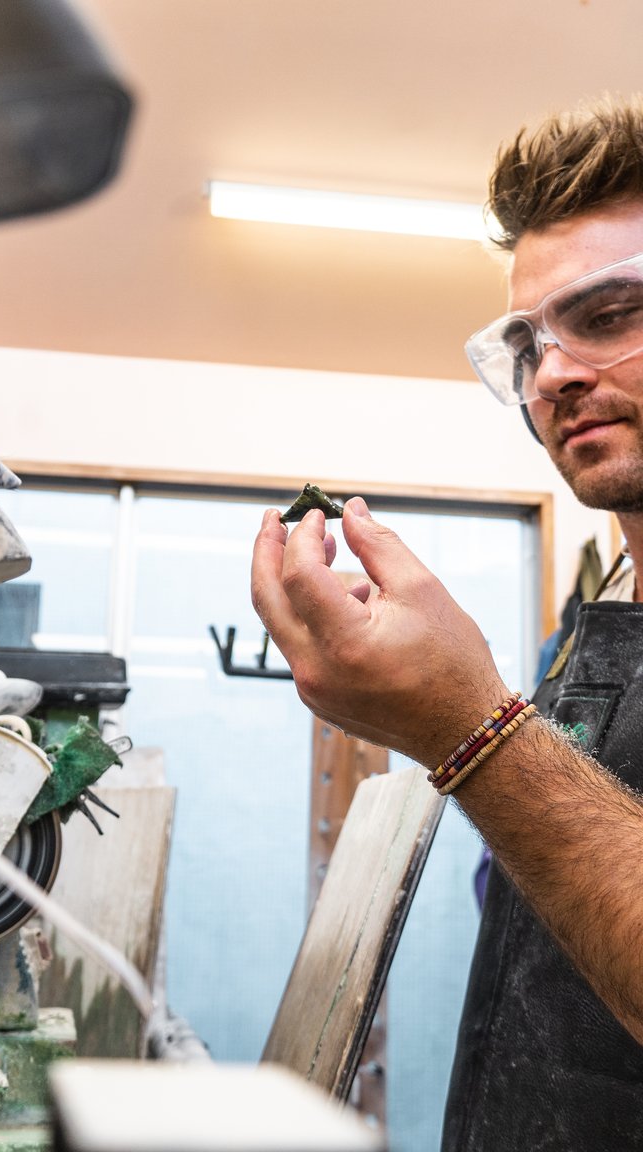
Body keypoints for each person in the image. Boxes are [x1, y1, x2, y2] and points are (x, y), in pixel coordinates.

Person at [251, 96, 643, 1151]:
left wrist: (469, 726)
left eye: (608, 314)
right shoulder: (606, 617)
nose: (555, 372)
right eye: (530, 341)